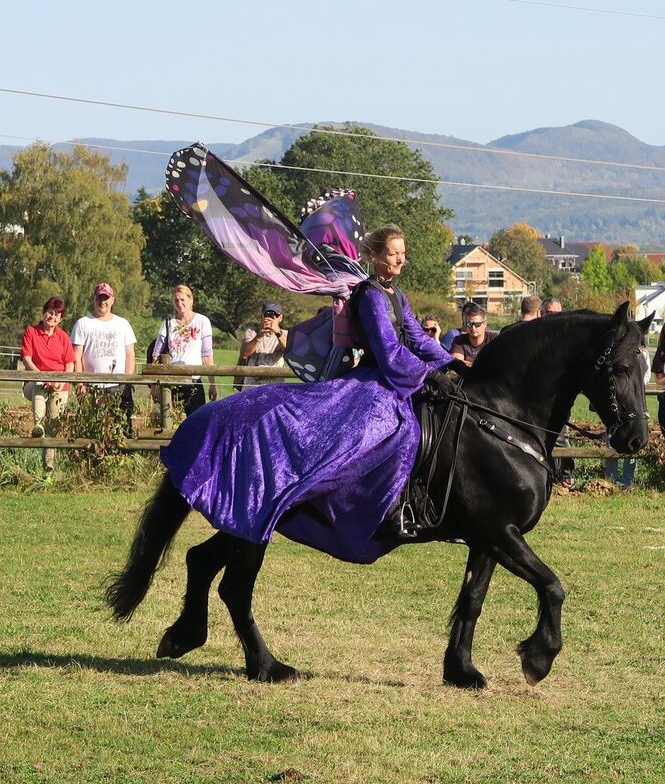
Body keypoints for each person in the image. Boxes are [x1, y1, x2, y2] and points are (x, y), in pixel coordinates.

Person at [160, 224, 455, 562]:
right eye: (393, 253)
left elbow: (416, 339)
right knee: (399, 432)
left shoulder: (397, 296)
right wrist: (428, 373)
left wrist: (453, 366)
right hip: (377, 381)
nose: (401, 259)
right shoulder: (370, 295)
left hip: (399, 379)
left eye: (402, 253)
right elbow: (388, 351)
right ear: (374, 256)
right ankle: (386, 509)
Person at [72, 282, 138, 434]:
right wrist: (80, 382)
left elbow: (130, 354)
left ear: (112, 300)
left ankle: (121, 456)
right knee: (92, 426)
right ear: (94, 299)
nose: (103, 302)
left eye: (106, 298)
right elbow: (77, 355)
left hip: (118, 386)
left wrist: (127, 380)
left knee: (121, 426)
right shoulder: (82, 324)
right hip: (92, 387)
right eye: (99, 298)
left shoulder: (123, 324)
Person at [21, 296, 75, 473]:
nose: (52, 317)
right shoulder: (31, 332)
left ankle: (48, 469)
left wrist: (60, 381)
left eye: (57, 314)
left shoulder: (63, 337)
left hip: (59, 386)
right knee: (39, 385)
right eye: (50, 312)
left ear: (61, 319)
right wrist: (43, 377)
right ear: (44, 313)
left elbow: (69, 364)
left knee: (54, 425)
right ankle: (37, 425)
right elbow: (27, 359)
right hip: (37, 381)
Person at [150, 284, 216, 415]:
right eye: (176, 300)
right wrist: (154, 386)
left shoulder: (202, 321)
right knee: (170, 422)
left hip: (194, 381)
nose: (179, 303)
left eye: (182, 300)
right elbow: (156, 355)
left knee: (197, 422)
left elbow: (207, 355)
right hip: (172, 383)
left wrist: (212, 384)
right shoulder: (167, 324)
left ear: (190, 300)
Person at [604, 347, 649, 488]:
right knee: (611, 435)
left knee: (633, 436)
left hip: (634, 401)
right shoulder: (616, 351)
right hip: (619, 400)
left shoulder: (643, 354)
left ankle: (627, 481)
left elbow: (645, 376)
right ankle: (610, 478)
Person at [235, 301, 287, 390]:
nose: (271, 318)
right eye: (268, 315)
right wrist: (259, 335)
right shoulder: (251, 332)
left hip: (274, 387)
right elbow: (246, 353)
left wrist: (277, 332)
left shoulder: (285, 334)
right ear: (261, 316)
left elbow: (289, 352)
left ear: (280, 318)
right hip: (251, 386)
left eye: (275, 315)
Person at [449, 302, 498, 367]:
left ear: (485, 324)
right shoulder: (459, 340)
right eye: (469, 324)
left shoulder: (494, 338)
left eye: (477, 324)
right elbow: (457, 363)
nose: (473, 328)